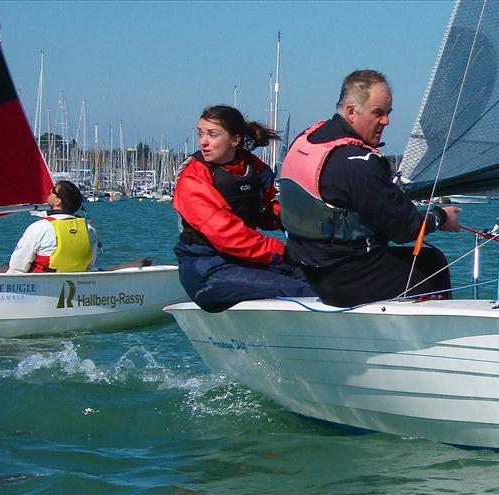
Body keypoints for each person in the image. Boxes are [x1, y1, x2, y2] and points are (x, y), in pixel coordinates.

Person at [278, 69, 461, 307]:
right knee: (432, 265)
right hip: (347, 280)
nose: (386, 121)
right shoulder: (358, 163)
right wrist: (439, 217)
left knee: (418, 260)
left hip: (310, 269)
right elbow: (404, 230)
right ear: (351, 111)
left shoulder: (308, 139)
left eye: (387, 113)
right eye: (378, 113)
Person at [173, 105, 315, 313]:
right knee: (298, 289)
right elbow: (227, 234)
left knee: (315, 275)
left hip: (245, 263)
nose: (203, 141)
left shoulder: (253, 167)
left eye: (212, 135)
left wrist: (314, 233)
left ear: (235, 140)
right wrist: (282, 252)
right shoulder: (193, 177)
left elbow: (275, 208)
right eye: (201, 134)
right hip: (207, 270)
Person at [8, 180, 97, 273]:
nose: (50, 190)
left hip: (42, 284)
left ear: (58, 201)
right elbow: (91, 264)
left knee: (4, 268)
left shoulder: (39, 227)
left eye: (54, 190)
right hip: (77, 284)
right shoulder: (89, 230)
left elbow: (18, 266)